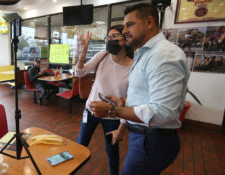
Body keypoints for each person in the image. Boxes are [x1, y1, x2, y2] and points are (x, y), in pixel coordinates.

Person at [89, 3, 190, 175]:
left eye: (129, 24)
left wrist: (114, 110)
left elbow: (163, 112)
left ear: (149, 22)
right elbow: (146, 96)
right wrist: (124, 102)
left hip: (153, 140)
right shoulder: (144, 53)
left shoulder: (163, 55)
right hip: (143, 137)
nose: (125, 30)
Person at [75, 25, 133, 175]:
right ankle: (71, 171)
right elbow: (80, 72)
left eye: (114, 36)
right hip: (91, 110)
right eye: (108, 37)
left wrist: (122, 126)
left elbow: (132, 99)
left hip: (113, 115)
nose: (110, 40)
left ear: (125, 39)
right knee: (81, 144)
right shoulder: (103, 56)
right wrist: (83, 53)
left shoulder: (133, 67)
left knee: (112, 150)